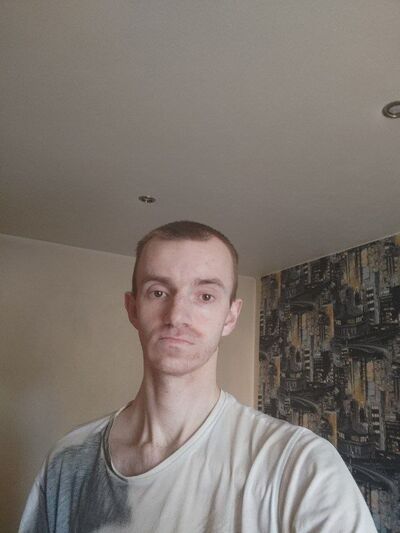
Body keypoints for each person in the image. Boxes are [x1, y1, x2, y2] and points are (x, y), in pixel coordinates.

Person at [19, 220, 377, 533]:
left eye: (205, 296)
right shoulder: (68, 463)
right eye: (158, 292)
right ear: (133, 308)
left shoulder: (300, 468)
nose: (177, 315)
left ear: (230, 316)